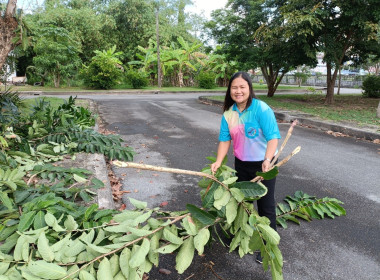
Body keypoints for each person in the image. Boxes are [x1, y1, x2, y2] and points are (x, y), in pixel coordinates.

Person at [210, 71, 281, 263]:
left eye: (242, 87)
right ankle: (243, 234)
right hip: (240, 164)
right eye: (234, 87)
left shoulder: (261, 109)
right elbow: (225, 140)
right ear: (229, 90)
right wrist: (218, 161)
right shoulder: (228, 113)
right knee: (242, 203)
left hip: (264, 164)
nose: (238, 91)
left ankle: (268, 246)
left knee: (266, 206)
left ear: (249, 88)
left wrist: (268, 159)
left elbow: (273, 137)